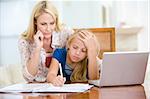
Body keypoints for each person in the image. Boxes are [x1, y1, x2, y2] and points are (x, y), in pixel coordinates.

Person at [18, 1, 73, 82]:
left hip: (61, 85)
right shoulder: (25, 41)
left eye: (52, 23)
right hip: (36, 87)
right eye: (43, 24)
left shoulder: (65, 33)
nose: (48, 29)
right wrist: (37, 49)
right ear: (35, 22)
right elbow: (29, 77)